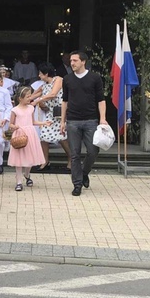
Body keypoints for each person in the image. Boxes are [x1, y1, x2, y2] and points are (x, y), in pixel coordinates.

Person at [60, 50, 107, 196]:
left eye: (75, 60)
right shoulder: (67, 79)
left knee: (93, 151)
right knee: (74, 154)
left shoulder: (95, 78)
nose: (72, 63)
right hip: (73, 121)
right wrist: (62, 121)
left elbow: (101, 100)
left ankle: (84, 172)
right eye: (71, 60)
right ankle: (77, 184)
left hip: (91, 120)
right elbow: (64, 101)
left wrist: (103, 118)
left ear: (83, 62)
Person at [8, 86, 50, 191]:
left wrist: (44, 123)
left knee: (30, 157)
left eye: (30, 96)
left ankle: (27, 174)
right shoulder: (15, 110)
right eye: (27, 96)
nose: (29, 98)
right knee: (19, 159)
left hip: (30, 134)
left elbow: (33, 122)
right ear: (20, 98)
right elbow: (11, 124)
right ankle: (18, 181)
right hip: (19, 133)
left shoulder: (31, 108)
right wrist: (15, 127)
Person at [32, 62, 70, 171]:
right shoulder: (43, 85)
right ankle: (45, 161)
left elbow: (53, 94)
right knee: (43, 136)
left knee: (62, 137)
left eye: (40, 74)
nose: (39, 76)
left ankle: (71, 159)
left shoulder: (58, 79)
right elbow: (33, 95)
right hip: (49, 113)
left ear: (46, 73)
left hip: (60, 113)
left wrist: (39, 100)